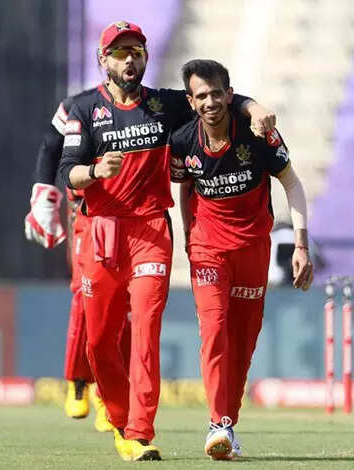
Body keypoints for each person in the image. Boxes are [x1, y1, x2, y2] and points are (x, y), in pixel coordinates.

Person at [58, 21, 277, 462]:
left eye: (136, 51)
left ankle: (139, 432)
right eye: (120, 52)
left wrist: (254, 107)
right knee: (99, 342)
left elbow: (215, 98)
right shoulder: (83, 108)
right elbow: (68, 171)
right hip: (103, 230)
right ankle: (119, 417)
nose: (129, 59)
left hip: (151, 231)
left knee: (146, 329)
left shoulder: (163, 104)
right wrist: (95, 172)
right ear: (103, 60)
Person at [170, 59, 314, 460]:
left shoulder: (257, 134)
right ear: (191, 101)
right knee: (214, 329)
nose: (210, 102)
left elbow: (292, 184)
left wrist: (301, 245)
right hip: (207, 250)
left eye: (217, 93)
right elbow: (185, 188)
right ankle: (218, 423)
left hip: (253, 247)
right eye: (201, 96)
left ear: (229, 95)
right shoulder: (183, 141)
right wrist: (189, 236)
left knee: (243, 340)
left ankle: (227, 425)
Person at [24, 94, 131, 433]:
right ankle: (78, 379)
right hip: (88, 214)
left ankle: (110, 397)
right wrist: (42, 198)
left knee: (127, 306)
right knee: (86, 297)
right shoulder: (79, 106)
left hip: (133, 218)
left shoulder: (148, 107)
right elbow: (50, 146)